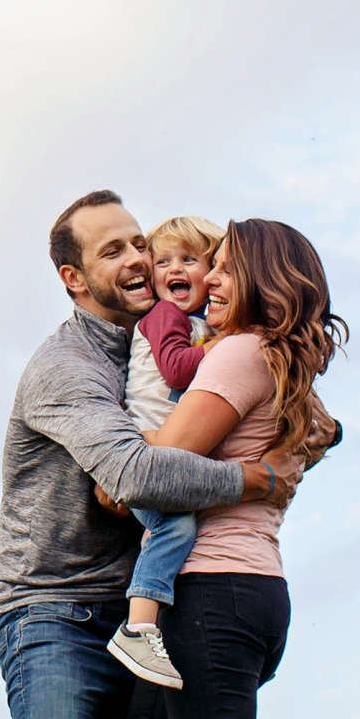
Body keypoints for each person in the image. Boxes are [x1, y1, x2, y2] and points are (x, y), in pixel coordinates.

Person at [0, 192, 299, 719]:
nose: (137, 258)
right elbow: (133, 477)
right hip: (57, 615)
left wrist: (311, 431)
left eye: (139, 243)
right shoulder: (65, 368)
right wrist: (253, 480)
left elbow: (261, 405)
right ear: (75, 278)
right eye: (113, 251)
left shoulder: (173, 336)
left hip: (147, 612)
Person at [122, 219, 347, 719]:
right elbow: (321, 438)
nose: (210, 280)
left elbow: (160, 470)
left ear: (260, 280)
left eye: (225, 270)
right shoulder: (283, 361)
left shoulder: (240, 351)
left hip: (211, 593)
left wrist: (124, 437)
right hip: (245, 591)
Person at [106, 215, 225, 689]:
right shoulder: (164, 316)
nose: (175, 269)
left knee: (173, 527)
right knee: (174, 527)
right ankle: (138, 627)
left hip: (165, 447)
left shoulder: (198, 323)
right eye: (163, 262)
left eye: (190, 260)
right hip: (144, 447)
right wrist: (221, 347)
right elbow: (176, 369)